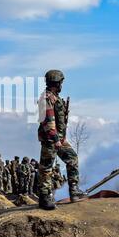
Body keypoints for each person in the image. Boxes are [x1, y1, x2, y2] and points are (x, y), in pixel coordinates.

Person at [38, 70, 87, 210]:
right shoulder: (46, 98)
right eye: (61, 83)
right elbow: (48, 120)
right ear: (56, 83)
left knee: (72, 158)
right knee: (46, 168)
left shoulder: (55, 97)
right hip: (50, 139)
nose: (62, 85)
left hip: (59, 138)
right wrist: (55, 138)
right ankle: (45, 198)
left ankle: (74, 190)